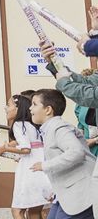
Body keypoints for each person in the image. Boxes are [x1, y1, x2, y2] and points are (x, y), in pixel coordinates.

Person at [29, 89, 95, 218]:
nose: (30, 108)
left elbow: (76, 152)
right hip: (66, 195)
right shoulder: (50, 129)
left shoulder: (59, 128)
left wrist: (44, 166)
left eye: (34, 104)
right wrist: (54, 190)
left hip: (82, 193)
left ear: (48, 110)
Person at [0, 95, 51, 218]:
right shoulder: (34, 125)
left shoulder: (19, 125)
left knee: (17, 211)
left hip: (29, 171)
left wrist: (7, 148)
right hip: (42, 169)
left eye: (9, 105)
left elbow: (26, 149)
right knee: (35, 211)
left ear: (18, 108)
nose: (6, 108)